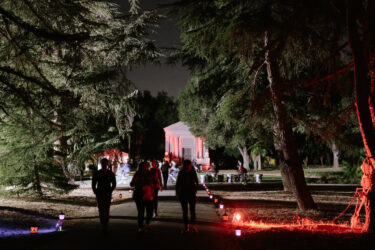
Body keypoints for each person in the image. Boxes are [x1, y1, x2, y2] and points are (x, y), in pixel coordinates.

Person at [92, 158, 116, 234]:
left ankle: (105, 224)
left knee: (106, 209)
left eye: (105, 163)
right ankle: (103, 224)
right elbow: (93, 184)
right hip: (100, 193)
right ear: (101, 164)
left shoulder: (110, 173)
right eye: (103, 163)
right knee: (101, 210)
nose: (104, 165)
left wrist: (110, 190)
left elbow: (114, 183)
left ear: (107, 164)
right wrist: (96, 192)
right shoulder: (97, 173)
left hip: (107, 193)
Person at [130, 162, 155, 232]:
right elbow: (132, 183)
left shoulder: (150, 173)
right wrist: (137, 182)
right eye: (143, 166)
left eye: (146, 166)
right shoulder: (137, 174)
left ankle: (147, 223)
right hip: (139, 194)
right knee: (141, 211)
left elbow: (154, 183)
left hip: (149, 194)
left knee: (149, 211)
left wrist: (153, 192)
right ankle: (140, 226)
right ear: (140, 167)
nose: (145, 168)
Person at [176, 159, 198, 233]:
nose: (190, 166)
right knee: (185, 211)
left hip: (191, 194)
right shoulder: (181, 173)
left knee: (192, 211)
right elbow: (178, 183)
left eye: (190, 165)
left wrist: (195, 191)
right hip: (183, 194)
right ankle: (186, 227)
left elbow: (197, 182)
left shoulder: (192, 172)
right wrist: (177, 193)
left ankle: (194, 226)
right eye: (189, 165)